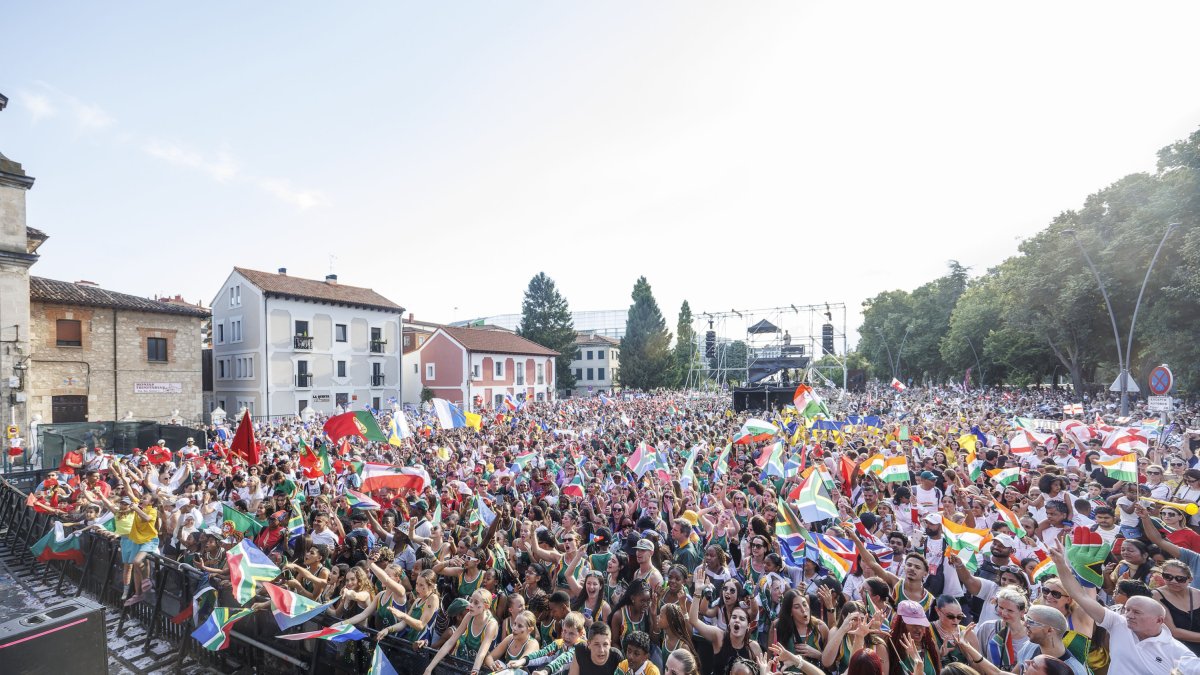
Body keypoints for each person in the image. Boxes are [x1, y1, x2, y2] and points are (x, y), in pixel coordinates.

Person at [1046, 539, 1193, 674]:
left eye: (1136, 612)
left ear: (1159, 620)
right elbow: (1080, 596)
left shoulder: (1178, 652)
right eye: (1127, 609)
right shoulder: (1119, 623)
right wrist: (1060, 564)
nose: (1128, 615)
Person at [423, 589, 498, 675]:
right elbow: (450, 642)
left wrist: (475, 671)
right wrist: (429, 668)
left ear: (486, 606)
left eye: (476, 603)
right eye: (471, 600)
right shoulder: (469, 616)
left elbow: (482, 652)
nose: (471, 605)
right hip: (467, 663)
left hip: (484, 667)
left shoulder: (491, 624)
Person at [1015, 605, 1087, 675]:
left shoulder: (1075, 671)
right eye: (1026, 618)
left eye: (1030, 622)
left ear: (1049, 630)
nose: (1024, 624)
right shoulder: (1030, 646)